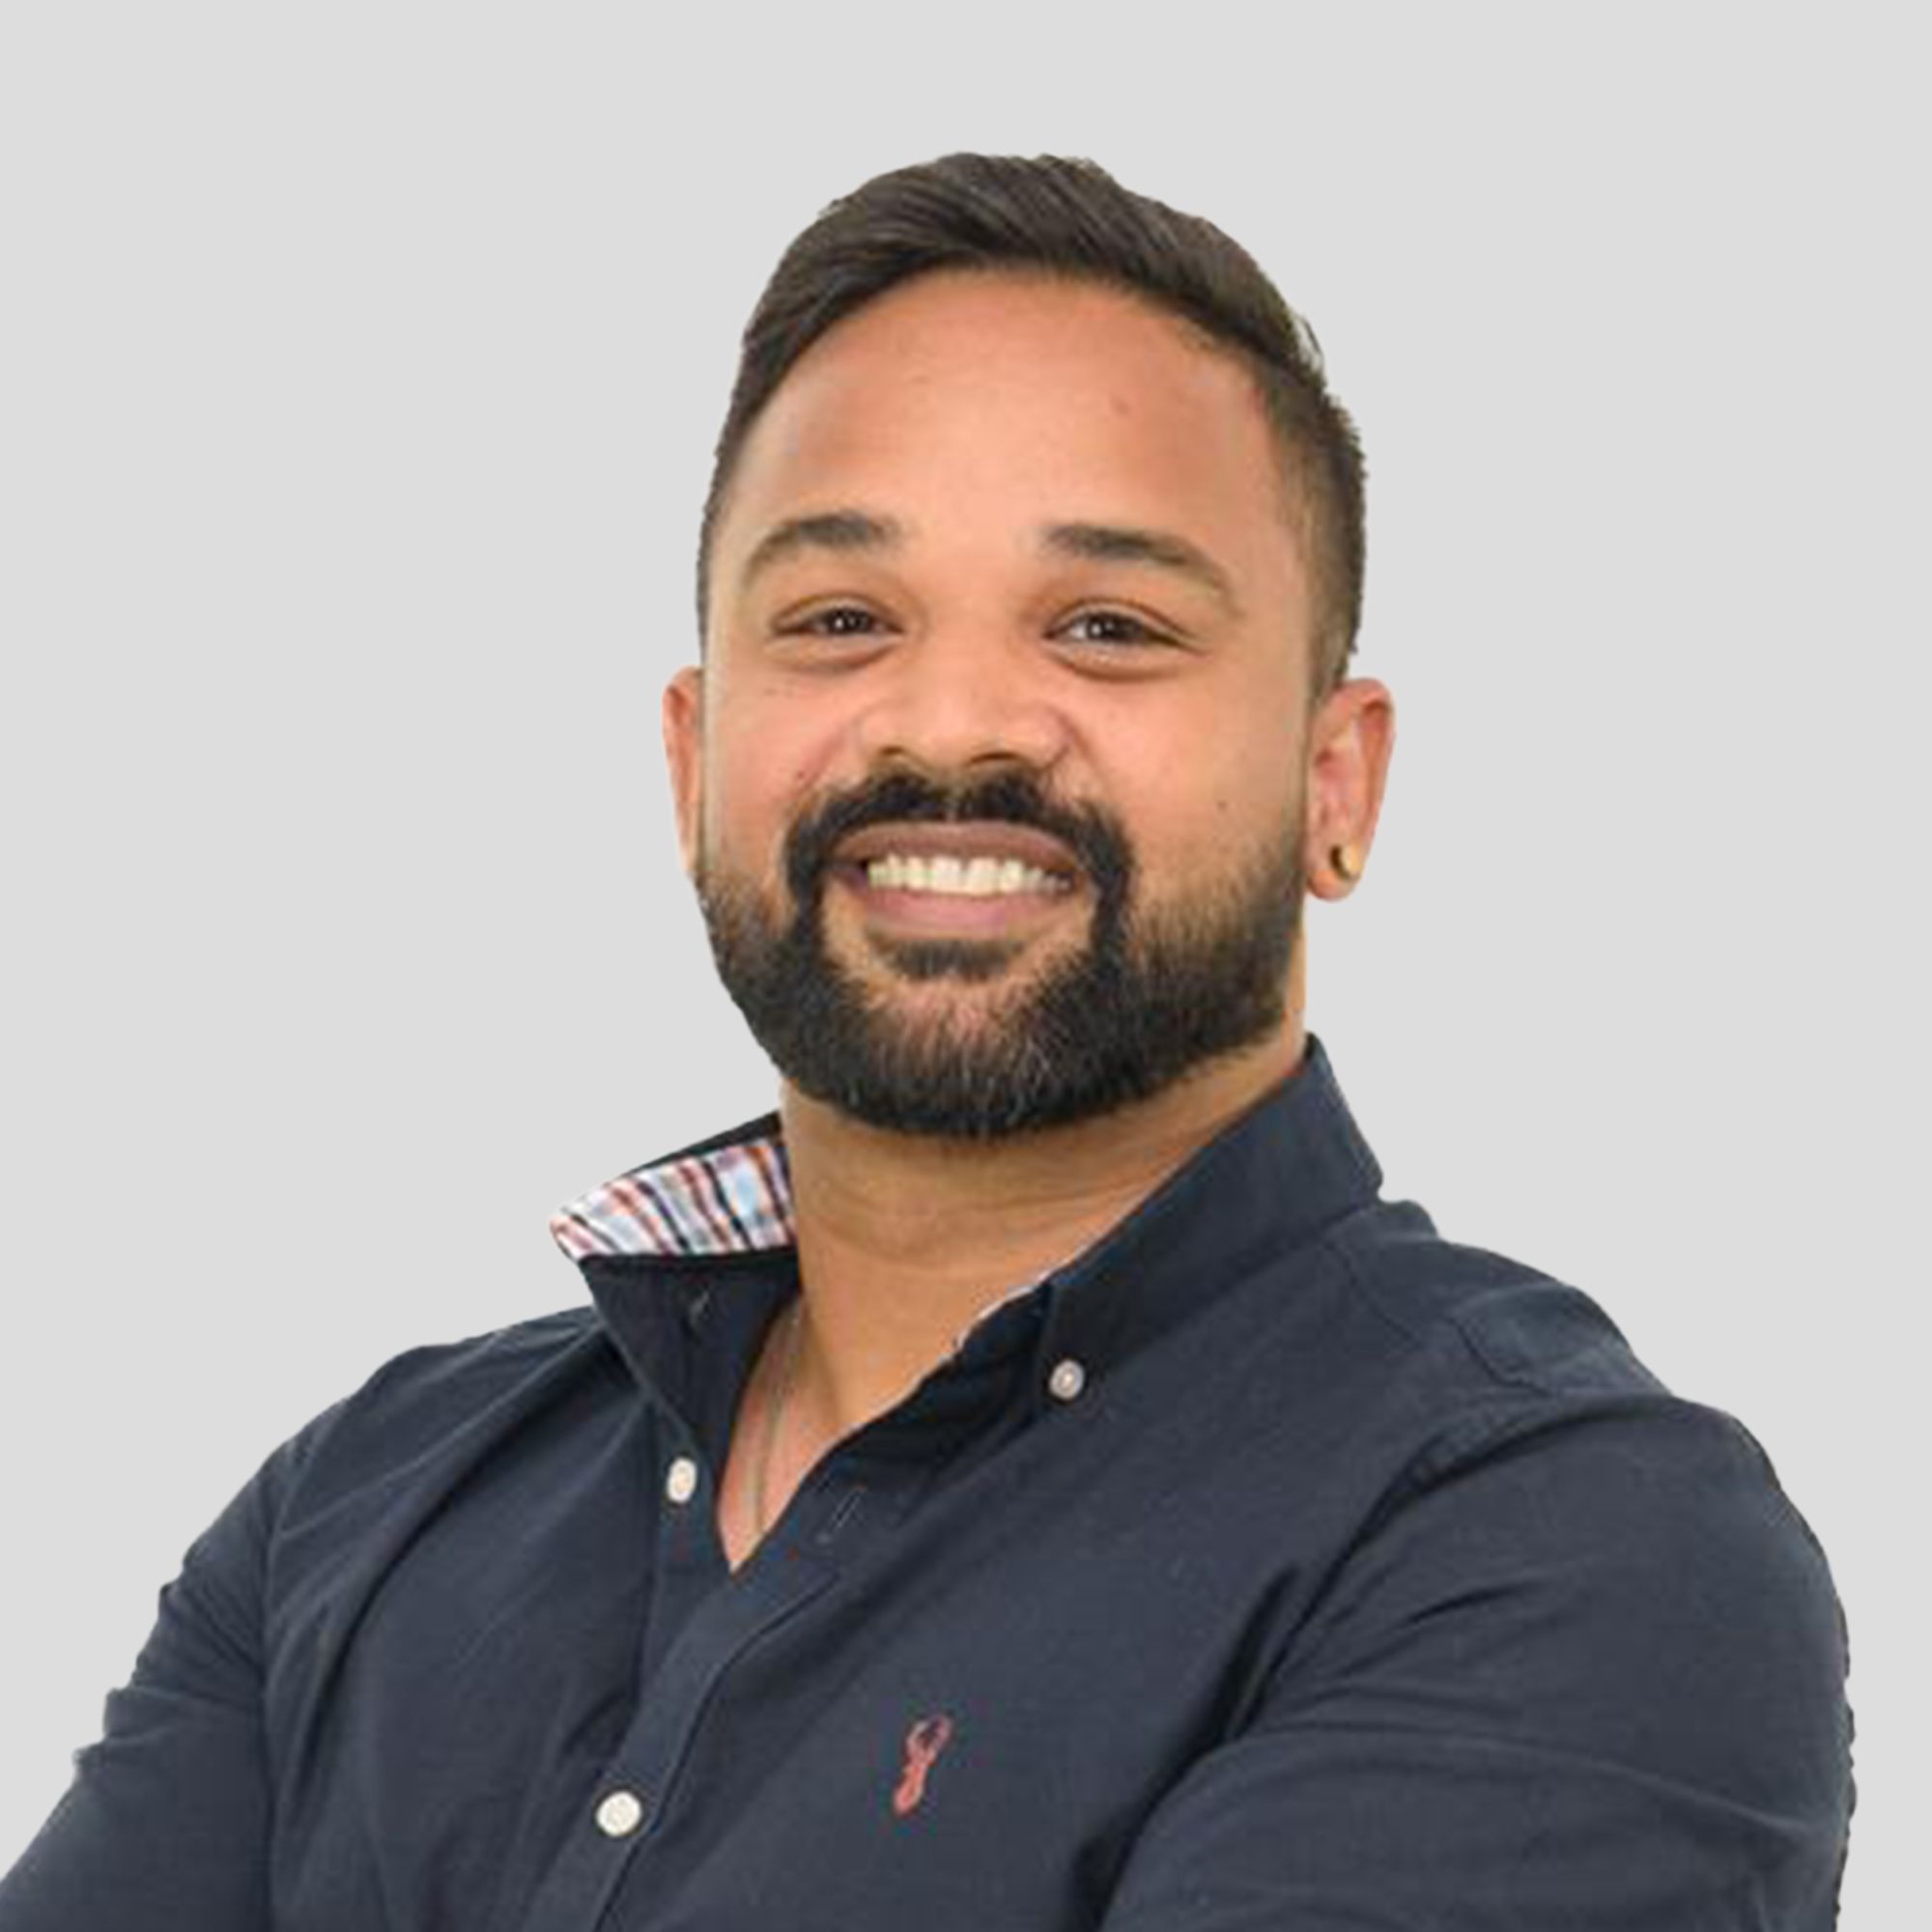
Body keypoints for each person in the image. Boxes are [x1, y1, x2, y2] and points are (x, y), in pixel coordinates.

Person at [0, 152, 1853, 1930]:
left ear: (1335, 781)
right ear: (692, 760)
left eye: (1108, 625)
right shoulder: (364, 1504)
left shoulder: (1564, 1544)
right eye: (838, 619)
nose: (951, 719)